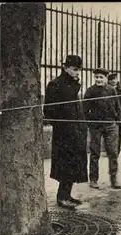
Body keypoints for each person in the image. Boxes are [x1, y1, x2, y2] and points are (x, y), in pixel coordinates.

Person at [43, 55, 88, 209]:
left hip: (75, 131)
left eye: (79, 70)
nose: (77, 73)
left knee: (74, 163)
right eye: (75, 70)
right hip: (64, 133)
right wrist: (63, 124)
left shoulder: (71, 83)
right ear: (65, 68)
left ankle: (67, 195)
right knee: (65, 164)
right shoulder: (55, 85)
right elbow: (49, 111)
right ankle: (61, 198)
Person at [83, 68, 121, 189]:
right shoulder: (90, 91)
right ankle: (93, 179)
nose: (98, 80)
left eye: (101, 77)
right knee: (95, 152)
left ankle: (114, 178)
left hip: (111, 125)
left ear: (106, 78)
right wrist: (89, 123)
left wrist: (117, 122)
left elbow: (118, 106)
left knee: (113, 152)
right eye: (96, 77)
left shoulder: (112, 90)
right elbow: (84, 109)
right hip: (95, 126)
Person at [108, 73, 121, 155]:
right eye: (111, 79)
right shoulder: (106, 89)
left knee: (118, 133)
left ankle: (117, 151)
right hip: (109, 114)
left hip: (118, 114)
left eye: (115, 79)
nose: (113, 81)